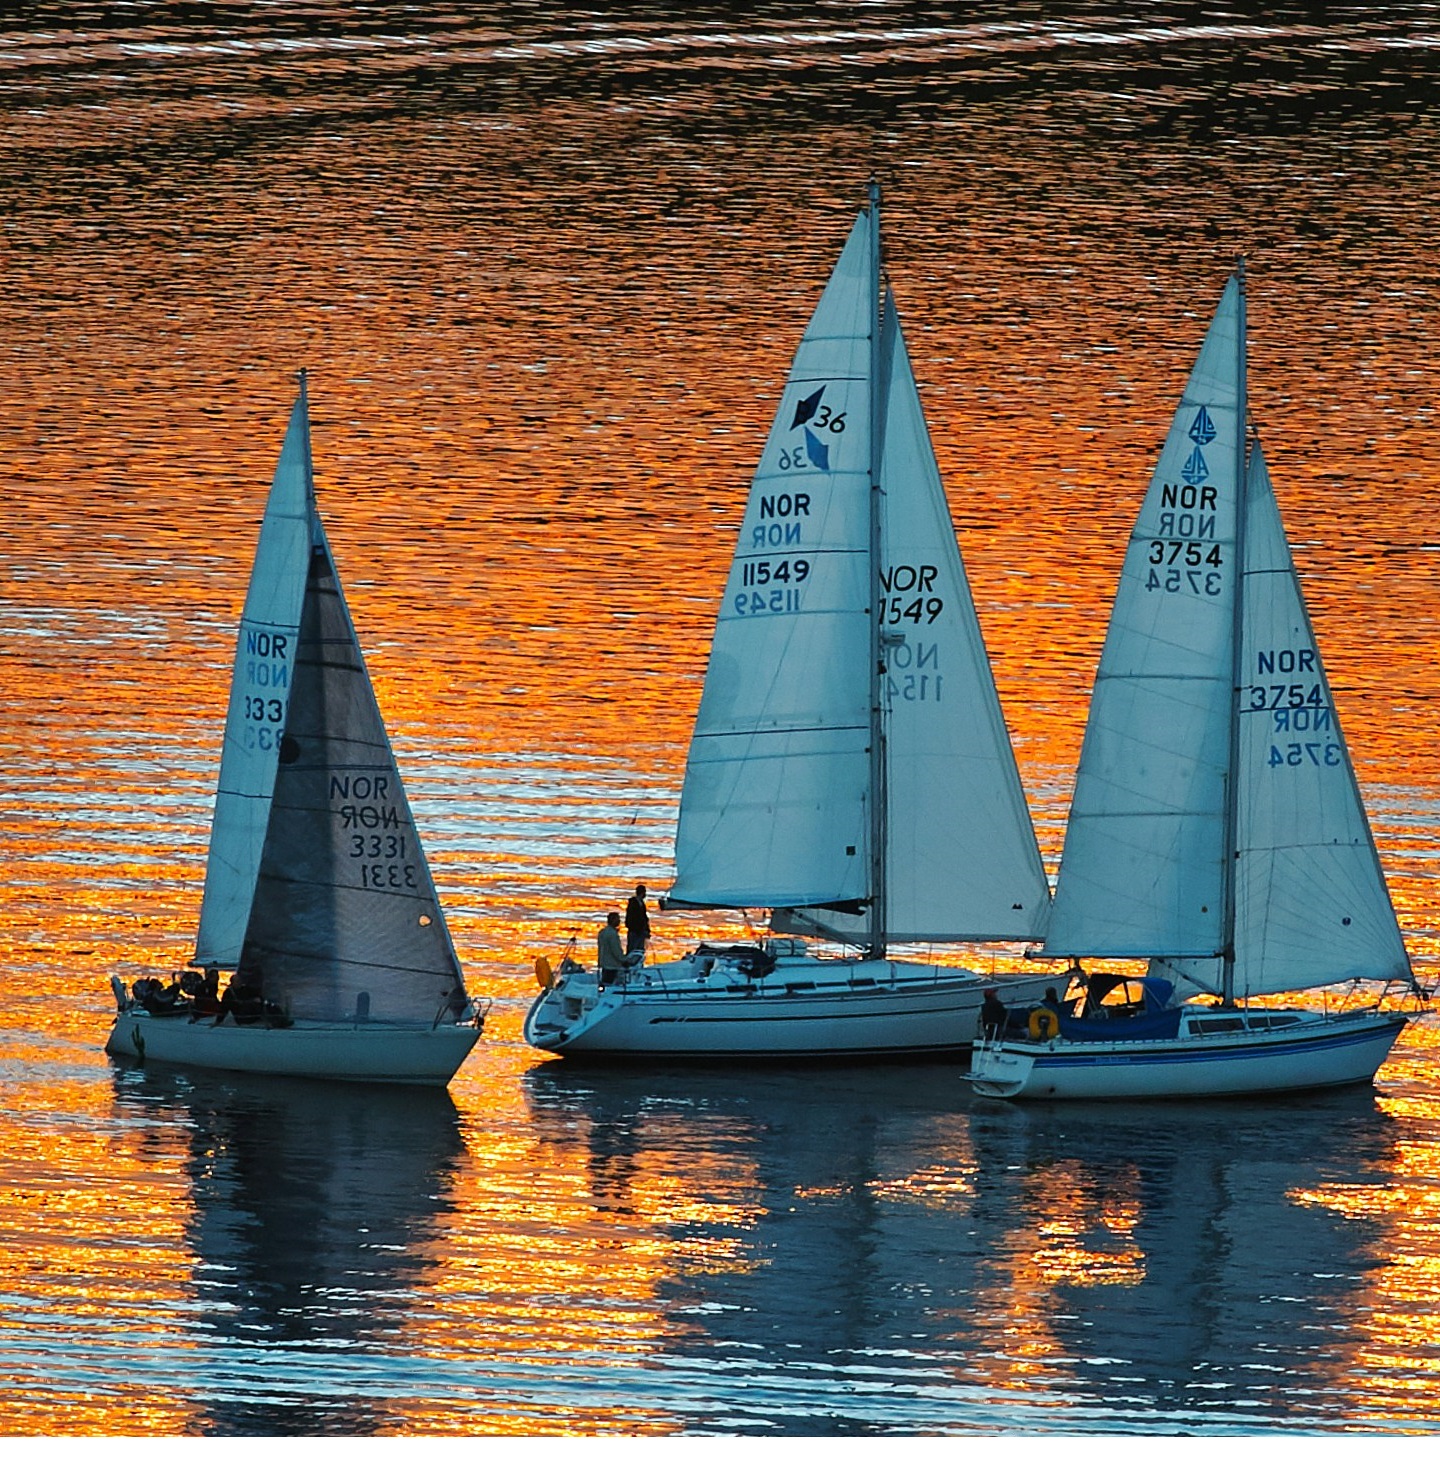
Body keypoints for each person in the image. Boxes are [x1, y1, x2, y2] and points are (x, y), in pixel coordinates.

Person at [597, 911, 627, 989]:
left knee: (605, 983)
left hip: (604, 963)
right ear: (613, 920)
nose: (619, 921)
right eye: (618, 919)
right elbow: (616, 951)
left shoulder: (602, 932)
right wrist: (624, 960)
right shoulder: (612, 934)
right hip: (612, 965)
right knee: (610, 986)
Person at [625, 882, 651, 960]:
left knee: (639, 950)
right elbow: (631, 918)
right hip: (635, 931)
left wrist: (647, 930)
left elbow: (644, 918)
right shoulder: (633, 904)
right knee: (633, 950)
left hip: (640, 931)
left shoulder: (642, 904)